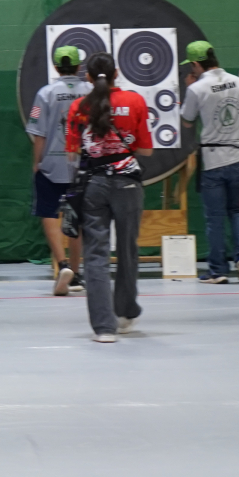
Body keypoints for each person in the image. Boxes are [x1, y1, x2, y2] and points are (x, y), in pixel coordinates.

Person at [65, 52, 153, 343]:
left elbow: (72, 153)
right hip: (128, 184)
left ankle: (104, 327)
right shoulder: (135, 101)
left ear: (88, 77)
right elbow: (146, 149)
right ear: (117, 73)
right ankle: (125, 313)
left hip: (94, 185)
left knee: (95, 254)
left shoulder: (79, 107)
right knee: (127, 249)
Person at [179, 39, 239, 283]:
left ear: (196, 64)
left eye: (191, 66)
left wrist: (190, 89)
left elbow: (187, 122)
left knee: (214, 218)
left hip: (213, 160)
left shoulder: (196, 89)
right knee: (237, 211)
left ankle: (217, 270)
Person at [27, 44, 88, 295]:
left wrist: (37, 162)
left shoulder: (45, 93)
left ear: (55, 67)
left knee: (50, 213)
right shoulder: (90, 91)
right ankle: (76, 272)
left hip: (52, 163)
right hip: (83, 164)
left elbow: (38, 132)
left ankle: (62, 264)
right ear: (78, 66)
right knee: (77, 218)